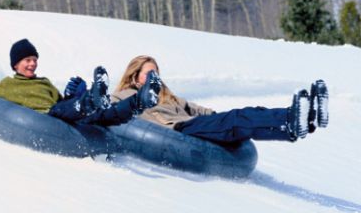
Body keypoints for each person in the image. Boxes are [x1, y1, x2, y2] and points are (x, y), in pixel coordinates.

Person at [109, 55, 329, 144]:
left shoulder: (166, 95)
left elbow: (195, 109)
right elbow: (109, 110)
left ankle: (304, 120)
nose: (154, 77)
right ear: (135, 76)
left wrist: (217, 117)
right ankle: (292, 116)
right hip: (179, 131)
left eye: (156, 73)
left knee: (246, 114)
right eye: (149, 73)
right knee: (238, 119)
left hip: (196, 125)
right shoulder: (124, 96)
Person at [0, 38, 161, 127]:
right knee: (68, 108)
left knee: (105, 114)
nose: (33, 64)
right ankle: (92, 99)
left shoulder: (44, 83)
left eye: (35, 59)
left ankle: (139, 102)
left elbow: (61, 102)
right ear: (16, 64)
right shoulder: (7, 85)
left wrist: (73, 95)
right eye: (27, 60)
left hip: (61, 114)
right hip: (46, 117)